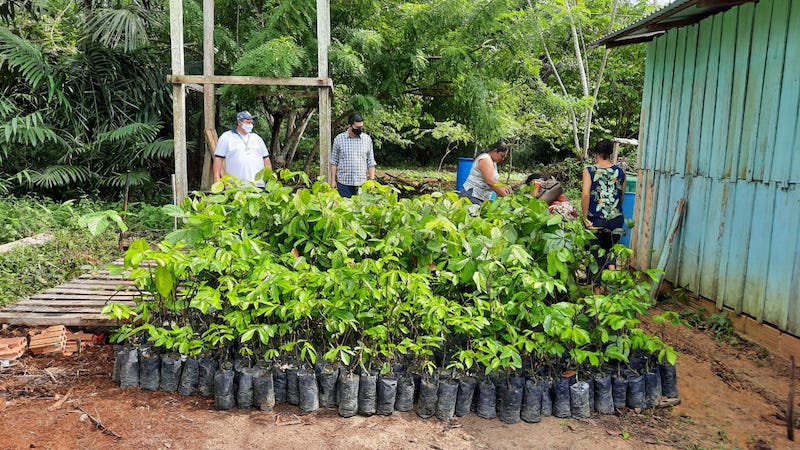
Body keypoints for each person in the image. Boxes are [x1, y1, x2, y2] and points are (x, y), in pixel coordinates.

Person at [581, 139, 626, 285]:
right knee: (611, 250)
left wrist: (585, 217)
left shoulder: (589, 170)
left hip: (596, 219)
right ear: (610, 154)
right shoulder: (620, 172)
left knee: (596, 255)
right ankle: (613, 285)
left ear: (596, 154)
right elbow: (621, 196)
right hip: (616, 219)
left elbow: (586, 195)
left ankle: (598, 290)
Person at [213, 111, 272, 186]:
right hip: (236, 186)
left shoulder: (257, 138)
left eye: (251, 122)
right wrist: (216, 178)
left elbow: (266, 159)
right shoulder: (226, 137)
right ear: (239, 123)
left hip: (258, 185)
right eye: (248, 122)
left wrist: (270, 180)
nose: (250, 125)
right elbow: (218, 159)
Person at [330, 112, 377, 198]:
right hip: (343, 183)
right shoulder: (339, 139)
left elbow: (371, 162)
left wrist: (372, 182)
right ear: (349, 126)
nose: (359, 129)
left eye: (361, 127)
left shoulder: (367, 139)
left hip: (361, 183)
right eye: (357, 127)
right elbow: (334, 162)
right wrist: (333, 180)